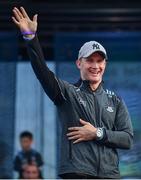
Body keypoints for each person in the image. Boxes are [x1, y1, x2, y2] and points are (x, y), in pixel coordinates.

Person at [12, 7, 133, 179]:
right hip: (78, 174)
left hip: (110, 175)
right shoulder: (67, 92)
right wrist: (31, 39)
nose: (95, 66)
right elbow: (42, 71)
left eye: (100, 61)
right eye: (90, 60)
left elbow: (127, 139)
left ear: (105, 64)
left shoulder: (115, 100)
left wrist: (97, 133)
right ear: (78, 63)